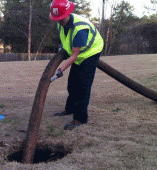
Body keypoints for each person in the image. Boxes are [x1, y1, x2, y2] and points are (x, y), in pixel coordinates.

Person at [49, 0, 104, 130]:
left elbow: (74, 56)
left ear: (68, 13)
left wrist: (60, 70)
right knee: (72, 84)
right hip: (78, 55)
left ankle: (80, 118)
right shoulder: (61, 24)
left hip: (90, 53)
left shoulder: (80, 29)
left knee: (83, 87)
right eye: (57, 19)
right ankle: (70, 109)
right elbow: (66, 40)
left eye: (61, 19)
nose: (59, 22)